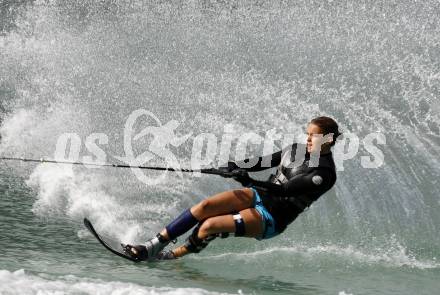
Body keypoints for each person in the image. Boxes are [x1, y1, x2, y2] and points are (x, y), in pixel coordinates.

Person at [123, 116, 341, 261]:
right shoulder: (296, 149)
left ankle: (169, 257)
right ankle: (152, 246)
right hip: (258, 195)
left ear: (328, 139)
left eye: (313, 135)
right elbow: (262, 161)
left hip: (272, 216)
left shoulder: (324, 174)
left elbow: (284, 191)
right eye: (308, 134)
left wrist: (248, 181)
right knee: (205, 206)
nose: (308, 138)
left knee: (210, 226)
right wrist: (237, 166)